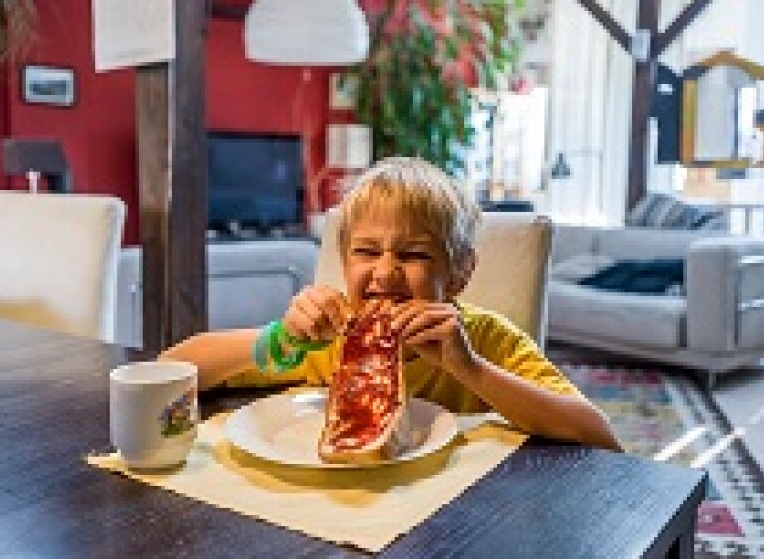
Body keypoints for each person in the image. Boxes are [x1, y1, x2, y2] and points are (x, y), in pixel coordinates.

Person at [161, 157, 621, 451]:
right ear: (343, 262)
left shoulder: (483, 338)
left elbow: (598, 435)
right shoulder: (330, 335)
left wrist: (471, 369)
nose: (384, 272)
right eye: (366, 252)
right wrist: (281, 338)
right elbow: (174, 369)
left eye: (414, 254)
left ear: (461, 272)